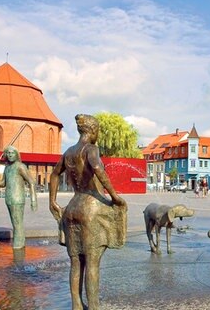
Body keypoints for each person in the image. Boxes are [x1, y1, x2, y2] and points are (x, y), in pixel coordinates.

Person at [49, 114, 127, 310]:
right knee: (92, 263)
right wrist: (115, 197)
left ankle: (76, 305)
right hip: (90, 208)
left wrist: (53, 201)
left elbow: (54, 174)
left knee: (76, 262)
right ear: (92, 131)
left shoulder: (68, 152)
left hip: (72, 208)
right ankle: (93, 307)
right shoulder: (90, 149)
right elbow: (98, 168)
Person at [0, 146, 37, 249]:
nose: (10, 155)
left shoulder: (20, 166)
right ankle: (20, 244)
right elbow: (3, 183)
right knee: (15, 224)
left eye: (12, 153)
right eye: (8, 153)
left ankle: (17, 247)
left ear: (16, 154)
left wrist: (33, 200)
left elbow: (31, 182)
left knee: (17, 224)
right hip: (9, 199)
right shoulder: (7, 168)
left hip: (17, 199)